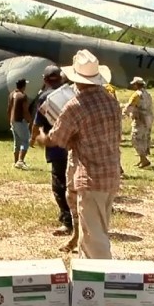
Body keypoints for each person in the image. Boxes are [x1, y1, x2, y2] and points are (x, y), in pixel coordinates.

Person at [36, 49, 122, 259]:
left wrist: (40, 136)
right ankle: (88, 278)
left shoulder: (75, 105)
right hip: (110, 175)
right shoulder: (111, 100)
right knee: (98, 229)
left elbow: (56, 139)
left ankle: (99, 282)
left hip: (90, 178)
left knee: (94, 241)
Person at [30, 65, 72, 237]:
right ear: (61, 78)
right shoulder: (71, 93)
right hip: (75, 146)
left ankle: (67, 221)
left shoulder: (44, 98)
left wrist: (34, 137)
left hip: (56, 147)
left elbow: (37, 124)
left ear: (45, 79)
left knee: (59, 184)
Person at [123, 76, 154, 168]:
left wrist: (123, 113)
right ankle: (142, 159)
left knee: (136, 138)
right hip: (148, 119)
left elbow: (130, 106)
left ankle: (144, 160)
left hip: (139, 119)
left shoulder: (136, 95)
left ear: (136, 85)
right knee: (144, 139)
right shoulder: (147, 94)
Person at [7, 78, 31, 169]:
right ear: (23, 86)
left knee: (17, 142)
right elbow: (25, 110)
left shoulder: (11, 94)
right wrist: (30, 120)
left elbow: (9, 109)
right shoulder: (23, 96)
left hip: (12, 121)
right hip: (20, 121)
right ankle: (20, 161)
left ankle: (16, 162)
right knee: (25, 141)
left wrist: (9, 120)